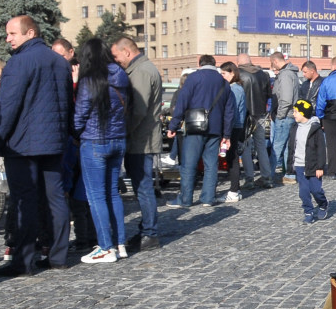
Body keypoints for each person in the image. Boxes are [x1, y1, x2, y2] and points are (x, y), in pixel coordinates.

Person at [0, 15, 73, 277]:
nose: (8, 39)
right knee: (56, 199)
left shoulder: (18, 63)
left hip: (23, 145)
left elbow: (8, 107)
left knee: (25, 201)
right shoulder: (59, 62)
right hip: (54, 142)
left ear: (30, 33)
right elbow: (68, 102)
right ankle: (58, 256)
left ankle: (23, 262)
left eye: (12, 34)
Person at [73, 39, 131, 263]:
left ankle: (106, 247)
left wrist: (75, 134)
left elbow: (80, 115)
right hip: (118, 139)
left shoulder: (90, 80)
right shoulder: (121, 75)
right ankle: (120, 243)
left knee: (96, 196)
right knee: (112, 193)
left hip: (95, 141)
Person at [110, 36, 164, 252]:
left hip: (141, 140)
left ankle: (150, 234)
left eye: (116, 56)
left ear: (127, 52)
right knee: (143, 187)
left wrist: (123, 132)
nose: (116, 61)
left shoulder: (140, 72)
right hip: (142, 138)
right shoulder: (141, 69)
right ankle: (147, 230)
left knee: (143, 188)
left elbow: (139, 110)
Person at [168, 54, 235, 208]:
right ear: (214, 64)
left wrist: (173, 125)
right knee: (211, 164)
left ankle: (185, 199)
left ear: (200, 64)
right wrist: (227, 135)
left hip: (195, 127)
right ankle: (208, 198)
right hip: (216, 129)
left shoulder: (194, 78)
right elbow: (229, 111)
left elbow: (182, 102)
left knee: (189, 164)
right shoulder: (223, 83)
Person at [236, 61, 273, 190]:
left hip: (246, 115)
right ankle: (267, 177)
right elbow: (269, 94)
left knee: (246, 147)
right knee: (261, 146)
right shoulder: (263, 74)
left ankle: (249, 178)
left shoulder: (239, 74)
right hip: (260, 113)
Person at [290, 99, 329, 223]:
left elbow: (321, 150)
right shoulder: (294, 128)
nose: (293, 114)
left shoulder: (315, 128)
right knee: (303, 191)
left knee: (316, 190)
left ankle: (323, 204)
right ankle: (308, 211)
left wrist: (320, 167)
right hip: (300, 165)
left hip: (313, 166)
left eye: (296, 112)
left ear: (303, 113)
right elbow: (292, 147)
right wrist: (290, 164)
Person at [269, 52, 300, 184]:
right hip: (289, 115)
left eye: (272, 64)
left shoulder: (285, 75)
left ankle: (268, 176)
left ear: (275, 61)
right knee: (288, 146)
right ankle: (289, 174)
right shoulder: (291, 73)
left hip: (285, 116)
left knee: (277, 147)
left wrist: (279, 115)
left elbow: (286, 99)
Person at [219, 62, 248, 201]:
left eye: (224, 73)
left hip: (235, 126)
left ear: (232, 73)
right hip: (236, 125)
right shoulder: (235, 88)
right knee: (232, 158)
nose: (222, 76)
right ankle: (235, 189)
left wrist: (227, 131)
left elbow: (233, 111)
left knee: (233, 159)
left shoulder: (234, 89)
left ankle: (234, 191)